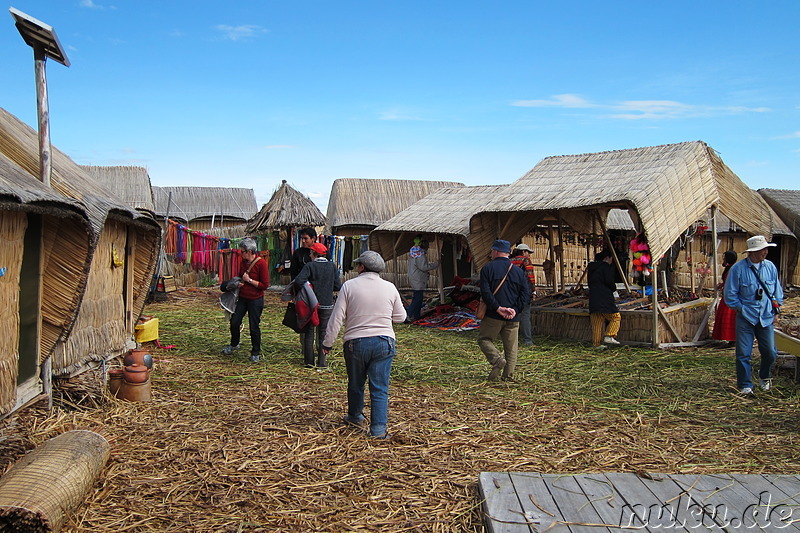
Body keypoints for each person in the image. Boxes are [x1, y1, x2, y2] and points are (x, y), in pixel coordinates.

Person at [322, 251, 407, 438]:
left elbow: (337, 318)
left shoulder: (349, 286)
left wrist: (328, 343)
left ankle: (354, 415)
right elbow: (401, 317)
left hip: (356, 343)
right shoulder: (390, 287)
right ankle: (377, 430)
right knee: (380, 387)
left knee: (356, 383)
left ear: (362, 267)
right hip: (384, 342)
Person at [724, 235, 783, 395]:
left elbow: (777, 292)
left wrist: (777, 309)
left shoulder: (770, 267)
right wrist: (741, 308)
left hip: (766, 317)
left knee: (770, 352)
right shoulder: (738, 269)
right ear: (753, 252)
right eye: (763, 249)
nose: (766, 252)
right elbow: (730, 295)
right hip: (746, 318)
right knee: (743, 353)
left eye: (766, 248)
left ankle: (764, 376)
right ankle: (745, 385)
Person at [477, 240, 531, 381]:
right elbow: (526, 293)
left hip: (493, 316)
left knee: (484, 339)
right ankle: (508, 376)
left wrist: (498, 308)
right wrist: (515, 309)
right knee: (511, 348)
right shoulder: (518, 272)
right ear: (507, 253)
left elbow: (486, 293)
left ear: (495, 251)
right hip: (512, 318)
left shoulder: (487, 269)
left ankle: (496, 359)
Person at [294, 243, 342, 369]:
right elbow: (338, 286)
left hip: (312, 305)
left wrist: (308, 290)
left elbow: (299, 281)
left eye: (311, 253)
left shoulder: (310, 266)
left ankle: (309, 362)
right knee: (323, 333)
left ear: (315, 254)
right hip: (327, 305)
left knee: (309, 332)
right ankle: (322, 363)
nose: (309, 255)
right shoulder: (332, 266)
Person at [222, 238, 269, 362]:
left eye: (242, 251)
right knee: (235, 322)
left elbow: (264, 285)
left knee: (254, 326)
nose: (241, 254)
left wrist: (250, 281)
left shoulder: (261, 264)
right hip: (243, 298)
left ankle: (255, 352)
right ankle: (234, 343)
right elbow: (241, 276)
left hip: (256, 300)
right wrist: (238, 283)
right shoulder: (243, 263)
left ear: (249, 251)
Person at [290, 227, 318, 354]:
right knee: (303, 317)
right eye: (302, 239)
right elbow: (294, 274)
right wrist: (295, 293)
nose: (303, 241)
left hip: (317, 292)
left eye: (306, 239)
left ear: (313, 239)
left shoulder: (321, 253)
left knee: (318, 320)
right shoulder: (298, 253)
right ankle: (305, 347)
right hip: (303, 292)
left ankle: (319, 346)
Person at [587, 249, 621, 348]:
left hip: (593, 297)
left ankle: (596, 344)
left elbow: (590, 283)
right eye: (611, 259)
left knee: (597, 321)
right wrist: (614, 289)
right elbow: (609, 281)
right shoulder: (605, 266)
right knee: (615, 317)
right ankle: (609, 335)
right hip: (604, 297)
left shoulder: (592, 268)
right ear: (607, 258)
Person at [406, 238, 439, 322]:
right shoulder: (420, 255)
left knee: (418, 297)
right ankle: (409, 315)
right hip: (418, 278)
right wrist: (436, 264)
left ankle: (416, 315)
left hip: (415, 276)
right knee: (417, 298)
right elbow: (424, 267)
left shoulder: (414, 253)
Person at [510, 243, 536, 346]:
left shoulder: (510, 261)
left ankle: (512, 340)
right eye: (528, 252)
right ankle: (527, 340)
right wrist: (533, 290)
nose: (529, 254)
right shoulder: (525, 260)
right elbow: (530, 276)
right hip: (523, 291)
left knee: (512, 314)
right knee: (525, 315)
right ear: (524, 252)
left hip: (512, 291)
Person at [711, 250, 739, 343]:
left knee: (729, 318)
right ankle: (729, 339)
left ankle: (732, 339)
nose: (723, 259)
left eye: (724, 257)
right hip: (726, 296)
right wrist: (722, 285)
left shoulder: (733, 269)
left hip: (730, 297)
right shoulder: (729, 268)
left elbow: (732, 283)